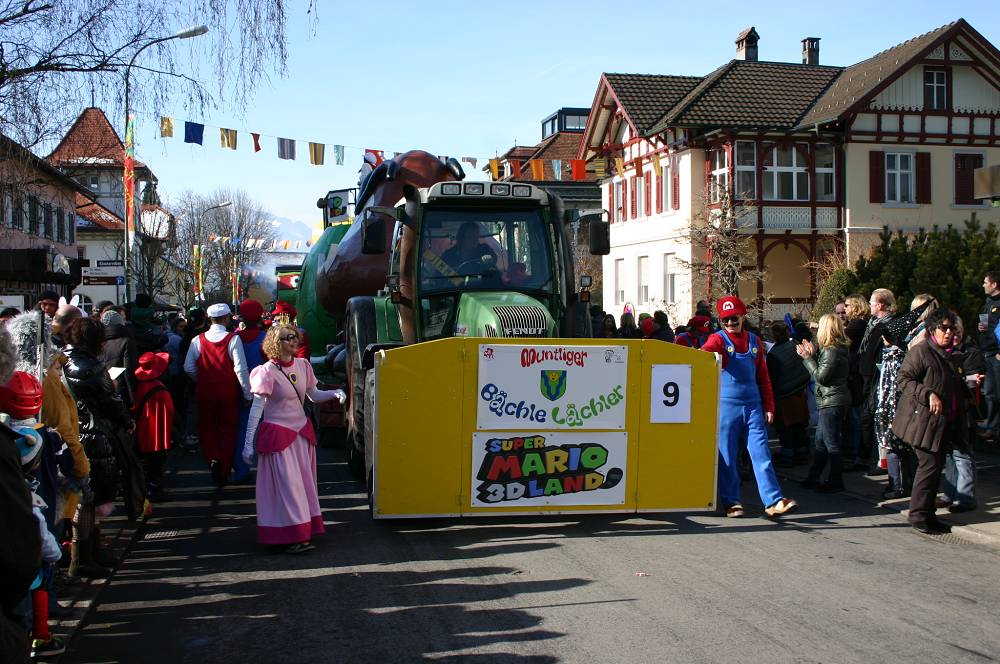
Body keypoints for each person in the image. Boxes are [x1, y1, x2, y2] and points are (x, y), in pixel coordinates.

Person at [241, 324, 344, 553]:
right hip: (280, 438)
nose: (293, 340)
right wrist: (248, 444)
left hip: (301, 437)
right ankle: (294, 536)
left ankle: (301, 531)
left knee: (303, 486)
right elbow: (256, 410)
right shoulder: (266, 372)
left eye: (295, 336)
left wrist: (334, 393)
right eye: (287, 337)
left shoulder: (303, 365)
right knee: (289, 488)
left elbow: (313, 394)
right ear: (275, 343)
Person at [700, 295, 797, 518]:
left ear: (742, 317)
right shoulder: (718, 339)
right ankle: (731, 501)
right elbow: (704, 355)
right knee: (727, 455)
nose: (730, 323)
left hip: (753, 406)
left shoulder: (754, 341)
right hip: (727, 407)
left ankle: (773, 501)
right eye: (725, 319)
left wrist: (769, 406)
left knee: (761, 452)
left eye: (734, 318)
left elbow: (763, 376)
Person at [891, 308, 967, 535]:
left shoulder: (952, 354)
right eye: (943, 328)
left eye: (952, 328)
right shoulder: (922, 351)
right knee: (929, 466)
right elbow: (903, 379)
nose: (948, 332)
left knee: (935, 468)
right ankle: (918, 515)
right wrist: (928, 394)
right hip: (922, 422)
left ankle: (928, 513)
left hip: (944, 421)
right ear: (933, 329)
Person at [184, 303, 251, 486]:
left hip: (205, 391)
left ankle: (212, 457)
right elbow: (240, 369)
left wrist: (202, 379)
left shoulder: (197, 340)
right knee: (227, 429)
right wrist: (247, 393)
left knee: (206, 427)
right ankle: (224, 467)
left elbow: (188, 367)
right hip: (228, 391)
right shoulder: (233, 339)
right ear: (227, 318)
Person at [797, 314, 851, 492]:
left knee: (830, 443)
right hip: (833, 399)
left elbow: (821, 377)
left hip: (831, 401)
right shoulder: (838, 349)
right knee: (821, 442)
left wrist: (807, 358)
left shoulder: (831, 351)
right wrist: (813, 355)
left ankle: (835, 481)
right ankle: (814, 476)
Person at [939, 315, 984, 513]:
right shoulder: (945, 352)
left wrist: (970, 379)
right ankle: (950, 494)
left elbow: (973, 381)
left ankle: (966, 497)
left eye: (956, 331)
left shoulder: (970, 352)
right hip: (950, 409)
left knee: (963, 454)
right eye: (949, 331)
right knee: (950, 454)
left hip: (965, 411)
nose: (952, 335)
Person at [858, 288, 896, 475]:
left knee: (876, 419)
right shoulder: (873, 323)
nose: (869, 305)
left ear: (880, 305)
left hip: (879, 378)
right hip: (867, 378)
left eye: (871, 302)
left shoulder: (888, 325)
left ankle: (879, 461)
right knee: (867, 418)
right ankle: (866, 458)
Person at [766, 322, 812, 466]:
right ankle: (802, 453)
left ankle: (787, 455)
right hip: (800, 392)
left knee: (786, 428)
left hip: (784, 396)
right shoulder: (795, 345)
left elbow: (772, 377)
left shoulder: (773, 354)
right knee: (799, 425)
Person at [132, 352, 174, 503]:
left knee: (146, 464)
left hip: (143, 431)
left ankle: (147, 490)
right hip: (157, 432)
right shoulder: (159, 388)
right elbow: (169, 411)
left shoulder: (140, 387)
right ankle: (155, 491)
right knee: (156, 464)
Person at [234, 300, 268, 482]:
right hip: (263, 390)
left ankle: (241, 469)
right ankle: (267, 470)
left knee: (241, 429)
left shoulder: (234, 338)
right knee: (265, 428)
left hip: (239, 389)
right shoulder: (266, 338)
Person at [842, 294, 870, 470]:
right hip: (857, 372)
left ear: (855, 306)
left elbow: (842, 343)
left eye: (847, 305)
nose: (845, 308)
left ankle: (855, 452)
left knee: (855, 415)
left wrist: (827, 328)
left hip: (855, 374)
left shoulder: (856, 324)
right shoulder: (861, 323)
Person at [99, 309, 138, 409]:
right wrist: (134, 399)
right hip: (122, 393)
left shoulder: (99, 343)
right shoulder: (126, 342)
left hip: (103, 393)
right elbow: (129, 372)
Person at [978, 271, 1000, 441]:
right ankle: (992, 427)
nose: (983, 285)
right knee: (990, 393)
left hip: (997, 354)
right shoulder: (988, 302)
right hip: (988, 352)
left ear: (994, 284)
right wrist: (981, 327)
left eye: (986, 282)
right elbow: (986, 323)